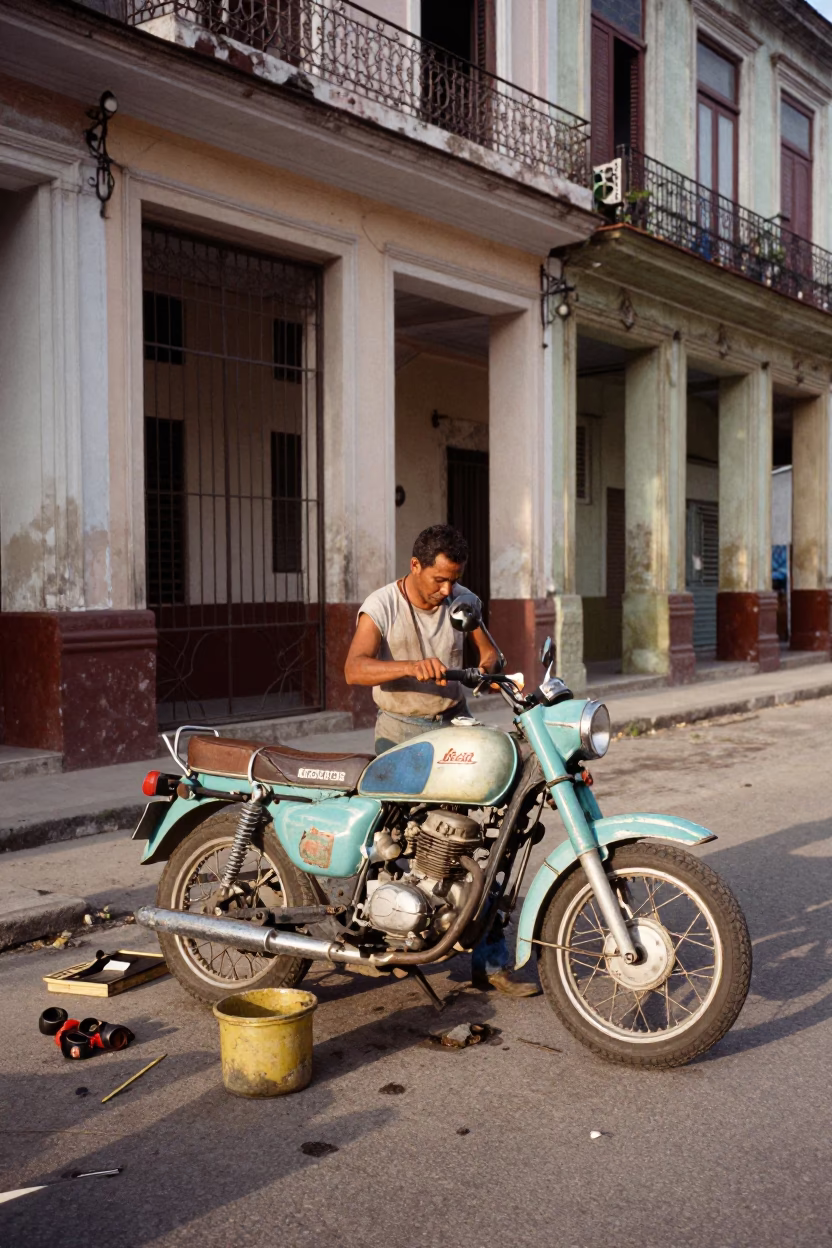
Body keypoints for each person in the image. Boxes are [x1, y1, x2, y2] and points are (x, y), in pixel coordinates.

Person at [344, 523, 539, 997]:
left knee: (485, 845)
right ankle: (374, 941)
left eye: (454, 580)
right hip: (400, 734)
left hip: (454, 727)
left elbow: (490, 653)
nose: (447, 590)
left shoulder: (462, 600)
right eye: (439, 580)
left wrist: (490, 670)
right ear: (415, 566)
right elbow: (354, 668)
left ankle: (490, 963)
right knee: (390, 845)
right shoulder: (381, 605)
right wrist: (409, 666)